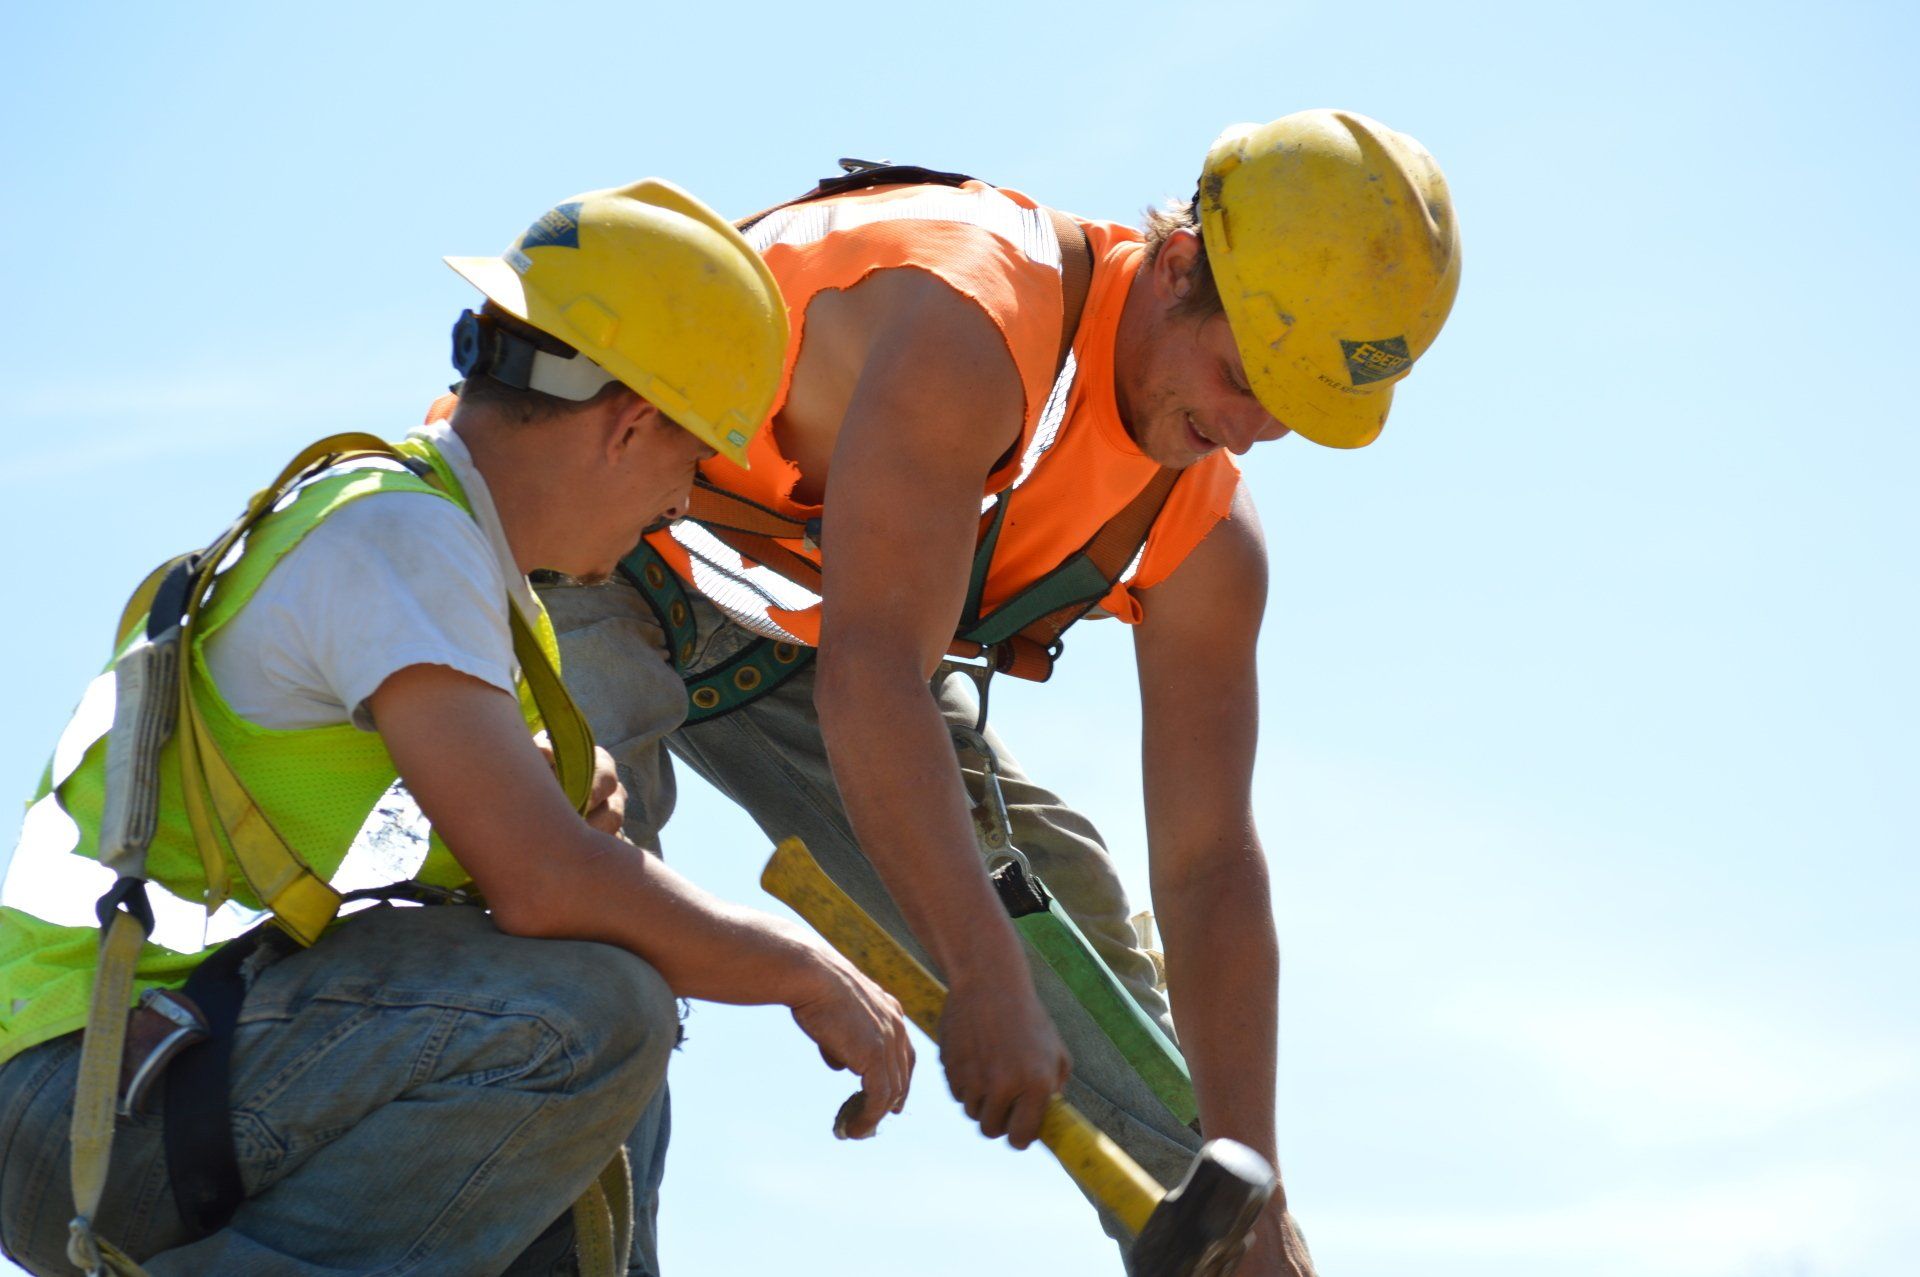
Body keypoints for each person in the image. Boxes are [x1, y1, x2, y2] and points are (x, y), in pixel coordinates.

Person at [487, 109, 1459, 1276]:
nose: (1243, 428)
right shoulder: (973, 311)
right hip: (590, 529)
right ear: (1185, 261)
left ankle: (1237, 1257)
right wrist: (982, 972)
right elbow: (877, 681)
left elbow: (1208, 866)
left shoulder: (1207, 537)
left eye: (1288, 411)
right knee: (595, 884)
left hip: (797, 638)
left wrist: (1251, 1171)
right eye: (1243, 374)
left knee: (1072, 914)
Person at [0, 179, 911, 1277]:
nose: (672, 512)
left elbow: (513, 882)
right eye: (690, 467)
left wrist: (565, 821)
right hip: (86, 1096)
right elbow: (545, 882)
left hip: (156, 1068)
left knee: (606, 1023)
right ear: (631, 425)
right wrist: (803, 967)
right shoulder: (400, 537)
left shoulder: (436, 563)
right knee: (591, 1009)